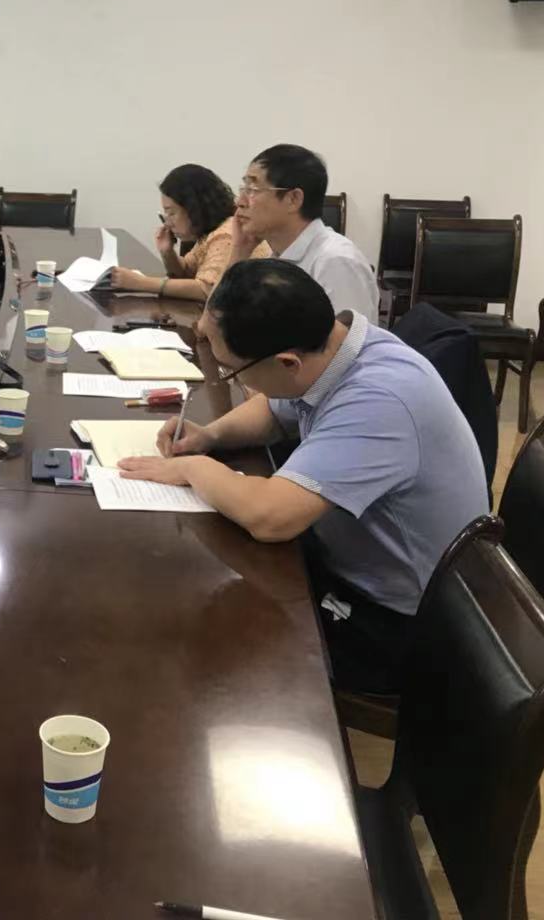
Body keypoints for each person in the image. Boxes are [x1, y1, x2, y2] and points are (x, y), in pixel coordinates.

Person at [117, 259, 488, 692]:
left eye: (231, 370)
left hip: (398, 625)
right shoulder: (339, 346)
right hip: (350, 565)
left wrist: (189, 467)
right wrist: (210, 436)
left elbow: (271, 517)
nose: (230, 379)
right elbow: (275, 409)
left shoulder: (380, 400)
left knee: (206, 642)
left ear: (287, 362)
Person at [230, 143, 378, 320]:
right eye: (244, 189)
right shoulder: (277, 257)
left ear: (293, 199)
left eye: (252, 190)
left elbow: (350, 338)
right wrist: (239, 250)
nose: (240, 202)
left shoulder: (335, 263)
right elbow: (215, 326)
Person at [108, 164, 271, 299]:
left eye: (171, 213)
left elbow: (207, 289)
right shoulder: (210, 233)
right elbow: (187, 272)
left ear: (194, 208)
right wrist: (167, 252)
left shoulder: (226, 234)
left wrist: (140, 283)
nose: (168, 222)